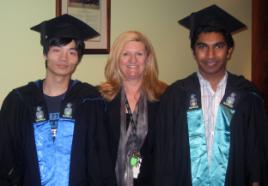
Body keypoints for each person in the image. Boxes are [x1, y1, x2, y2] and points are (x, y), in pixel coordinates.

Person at [154, 4, 268, 186]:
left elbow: (257, 154)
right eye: (202, 47)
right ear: (193, 52)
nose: (210, 55)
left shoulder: (248, 96)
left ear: (229, 50)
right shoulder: (176, 96)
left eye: (219, 46)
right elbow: (164, 157)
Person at [0, 14, 114, 186]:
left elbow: (102, 161)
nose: (64, 58)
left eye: (72, 52)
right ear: (45, 53)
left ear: (78, 58)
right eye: (56, 50)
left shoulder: (91, 101)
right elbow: (5, 157)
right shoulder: (19, 102)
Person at [99, 31, 167, 186]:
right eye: (125, 54)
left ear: (147, 58)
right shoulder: (100, 98)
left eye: (139, 54)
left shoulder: (165, 97)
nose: (133, 60)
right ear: (117, 59)